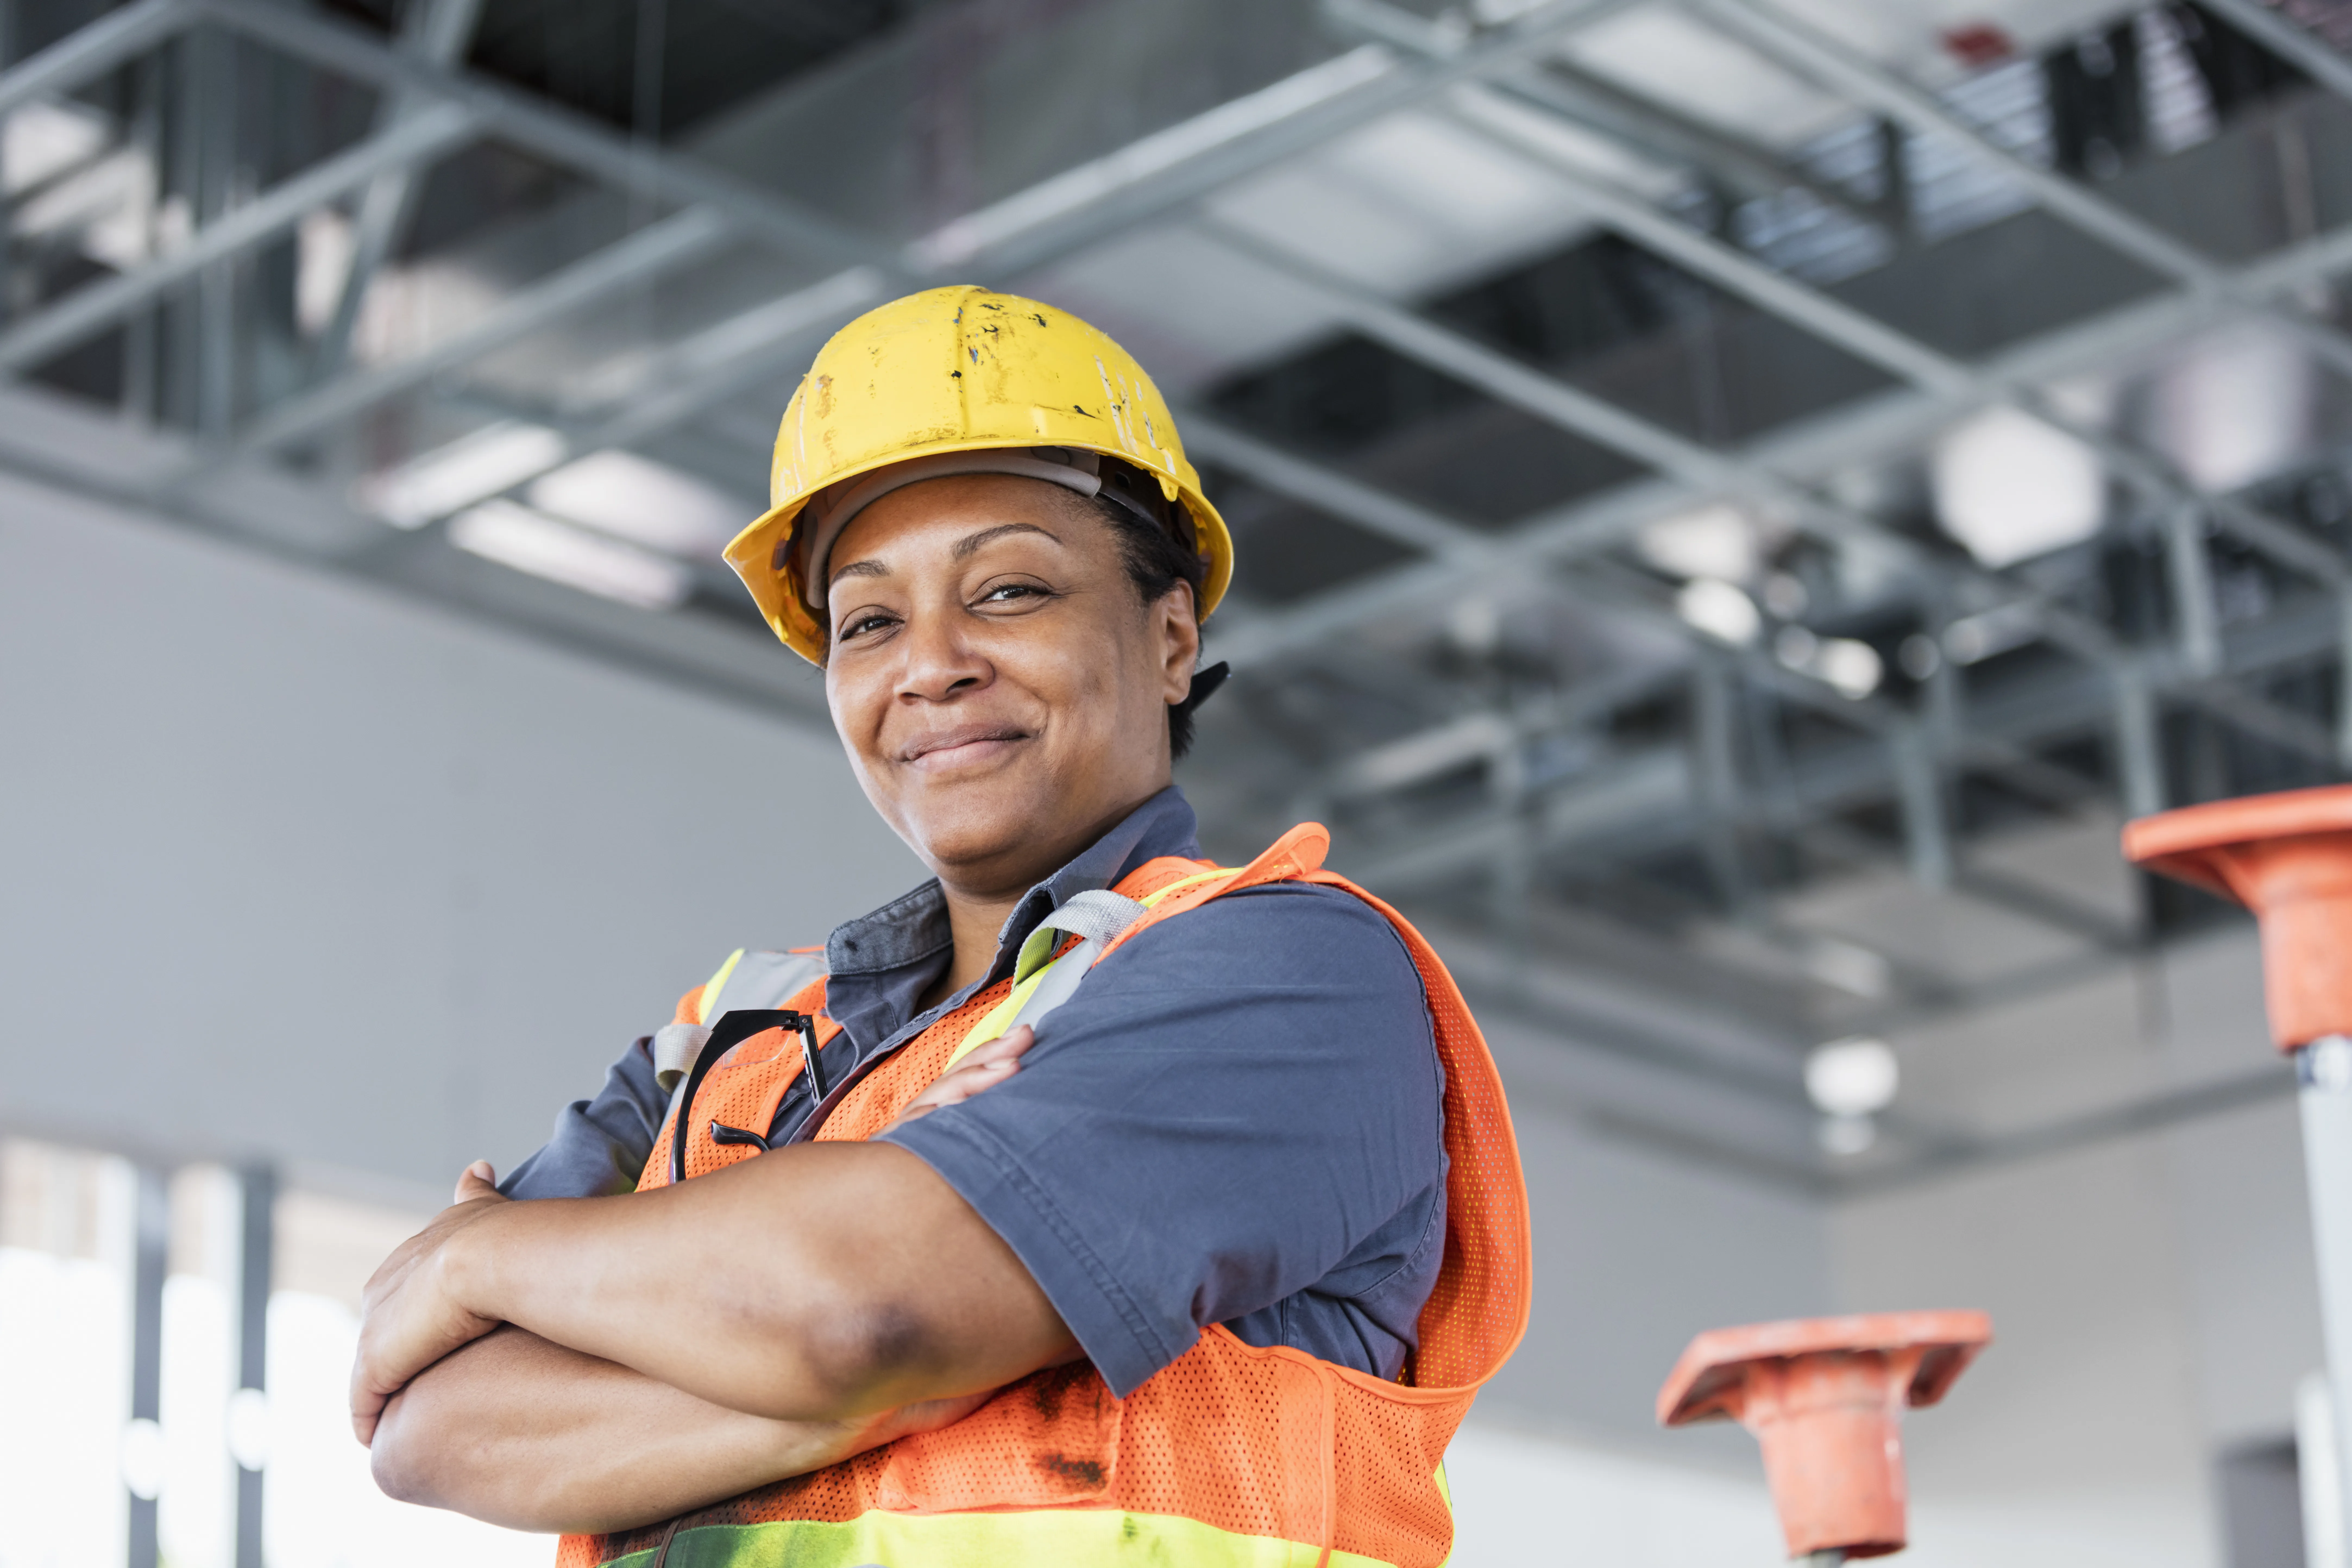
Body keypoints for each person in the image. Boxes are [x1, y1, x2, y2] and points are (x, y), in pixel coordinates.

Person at [355, 285, 1529, 1568]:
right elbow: (430, 1428)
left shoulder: (1286, 975)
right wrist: (866, 1368)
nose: (931, 664)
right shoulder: (722, 1051)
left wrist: (483, 1258)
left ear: (1172, 634)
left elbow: (863, 1313)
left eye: (1011, 591)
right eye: (868, 621)